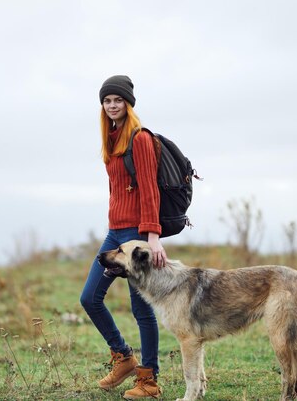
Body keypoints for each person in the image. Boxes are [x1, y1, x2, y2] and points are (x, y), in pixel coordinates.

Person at [80, 75, 167, 399]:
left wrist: (152, 237)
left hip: (136, 236)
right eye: (107, 101)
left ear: (128, 103)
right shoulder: (112, 139)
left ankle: (149, 380)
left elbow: (149, 189)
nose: (112, 105)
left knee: (141, 308)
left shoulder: (139, 139)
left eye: (117, 100)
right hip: (114, 233)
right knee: (90, 298)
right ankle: (123, 356)